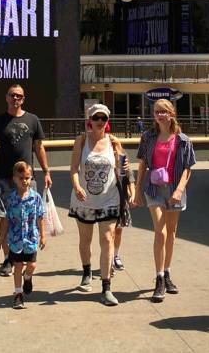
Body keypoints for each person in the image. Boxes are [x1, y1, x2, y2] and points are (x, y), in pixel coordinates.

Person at [0, 84, 52, 277]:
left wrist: (47, 171)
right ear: (6, 98)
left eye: (19, 96)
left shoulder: (33, 120)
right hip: (3, 177)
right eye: (12, 95)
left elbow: (39, 147)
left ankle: (27, 254)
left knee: (31, 216)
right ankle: (8, 259)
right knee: (5, 216)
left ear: (23, 99)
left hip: (27, 179)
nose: (16, 99)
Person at [69, 103, 134, 306]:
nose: (99, 122)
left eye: (103, 119)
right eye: (96, 118)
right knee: (85, 240)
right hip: (85, 200)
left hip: (109, 199)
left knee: (107, 239)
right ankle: (87, 272)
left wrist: (129, 184)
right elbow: (73, 169)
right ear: (90, 120)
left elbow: (124, 169)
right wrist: (78, 186)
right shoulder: (81, 141)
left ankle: (106, 288)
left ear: (107, 122)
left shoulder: (114, 143)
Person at [132, 98, 196, 302]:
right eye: (156, 111)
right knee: (160, 231)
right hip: (154, 188)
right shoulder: (148, 137)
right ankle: (159, 277)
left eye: (163, 111)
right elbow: (142, 165)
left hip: (175, 188)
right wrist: (137, 190)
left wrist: (179, 190)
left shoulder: (183, 140)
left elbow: (187, 169)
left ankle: (167, 272)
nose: (159, 115)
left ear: (171, 114)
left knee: (171, 233)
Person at [0, 161, 46, 309]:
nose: (25, 181)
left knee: (32, 265)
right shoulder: (11, 198)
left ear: (31, 178)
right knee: (17, 266)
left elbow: (40, 217)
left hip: (31, 238)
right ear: (14, 179)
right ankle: (18, 294)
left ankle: (28, 277)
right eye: (21, 178)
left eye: (27, 177)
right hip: (15, 239)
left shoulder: (36, 197)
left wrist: (43, 235)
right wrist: (2, 237)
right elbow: (6, 219)